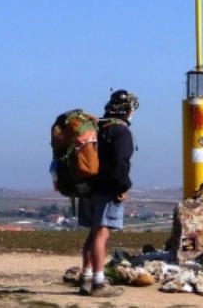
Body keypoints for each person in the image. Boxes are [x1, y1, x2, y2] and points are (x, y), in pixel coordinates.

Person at [77, 89, 138, 297]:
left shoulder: (98, 127)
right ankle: (98, 283)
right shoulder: (121, 132)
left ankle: (86, 277)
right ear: (127, 110)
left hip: (88, 187)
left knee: (93, 233)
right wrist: (123, 187)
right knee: (101, 234)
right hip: (107, 189)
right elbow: (121, 162)